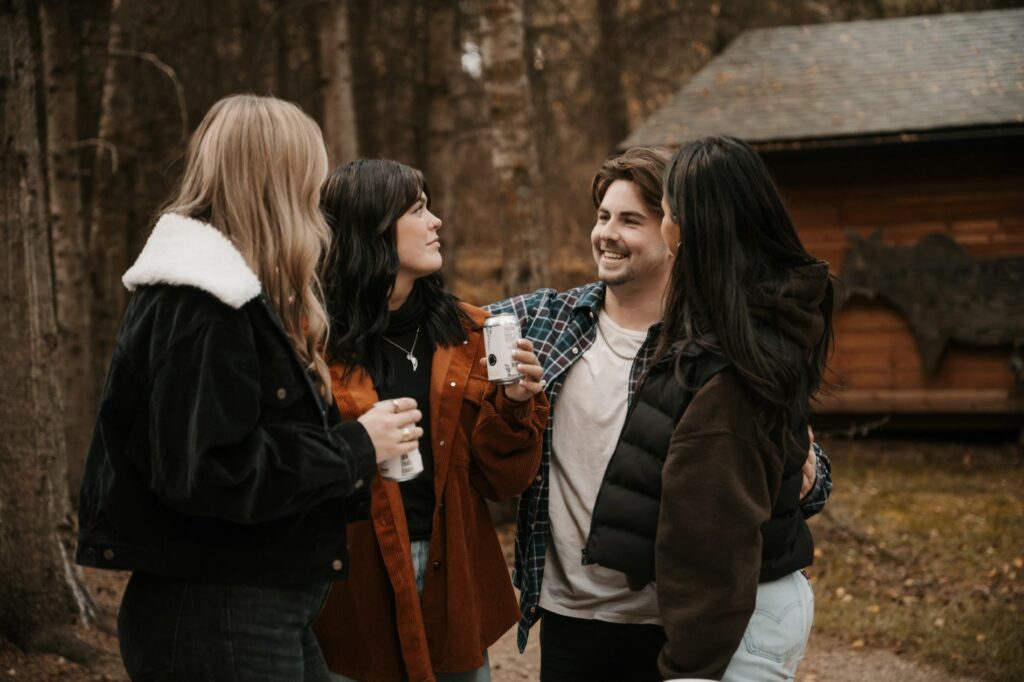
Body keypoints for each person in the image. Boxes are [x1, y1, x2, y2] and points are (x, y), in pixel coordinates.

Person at [75, 95, 418, 680]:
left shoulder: (228, 294)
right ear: (278, 184)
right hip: (219, 611)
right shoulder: (201, 300)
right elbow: (211, 472)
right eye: (309, 179)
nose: (316, 201)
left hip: (255, 601)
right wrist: (356, 447)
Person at [486, 146, 832, 681]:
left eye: (631, 220)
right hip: (568, 615)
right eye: (602, 216)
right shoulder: (548, 321)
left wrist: (806, 476)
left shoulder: (713, 344)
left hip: (665, 619)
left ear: (675, 232)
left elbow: (799, 471)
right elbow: (444, 325)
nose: (607, 233)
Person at [585, 136, 835, 680]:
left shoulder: (728, 366)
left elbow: (711, 539)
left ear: (691, 227)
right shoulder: (753, 321)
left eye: (664, 213)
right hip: (759, 599)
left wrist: (688, 669)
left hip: (737, 617)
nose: (665, 228)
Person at [312, 159, 549, 682]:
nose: (436, 220)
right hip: (355, 589)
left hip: (454, 578)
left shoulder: (470, 332)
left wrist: (515, 404)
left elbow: (503, 479)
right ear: (372, 228)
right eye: (418, 209)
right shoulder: (312, 342)